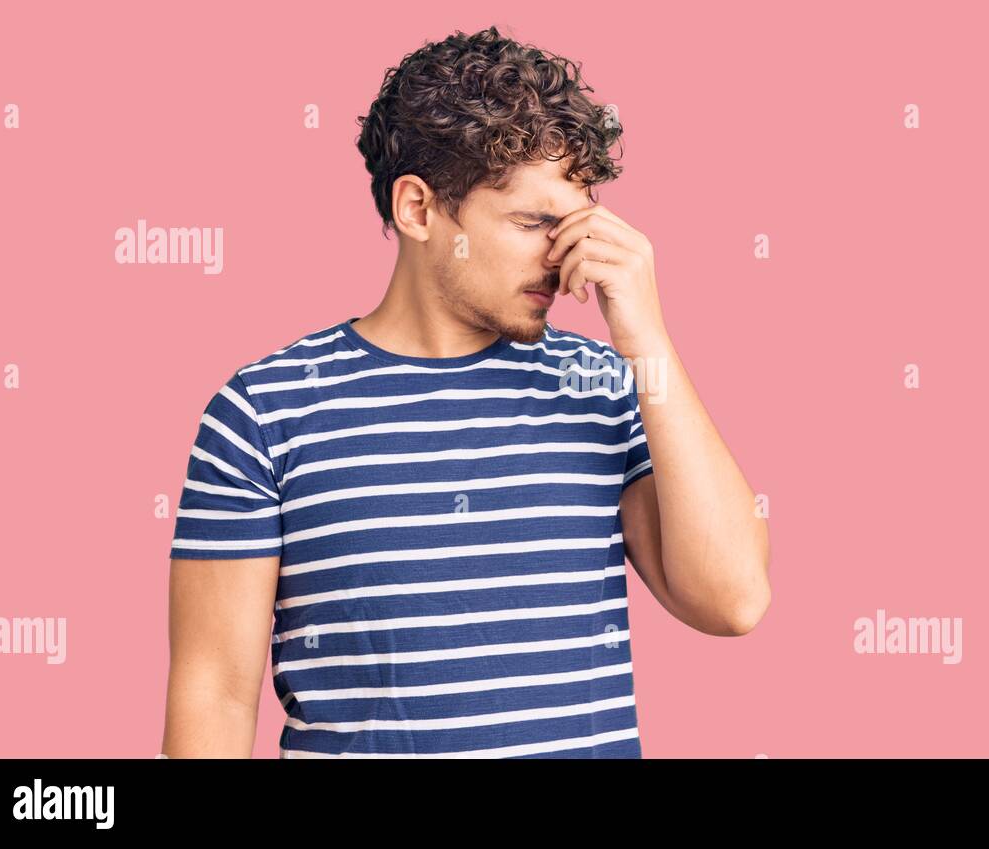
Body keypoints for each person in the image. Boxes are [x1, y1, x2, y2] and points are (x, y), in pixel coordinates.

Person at [161, 25, 769, 759]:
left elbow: (735, 599)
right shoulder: (265, 413)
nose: (565, 255)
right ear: (417, 209)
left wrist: (647, 342)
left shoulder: (606, 385)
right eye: (533, 222)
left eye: (574, 221)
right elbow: (216, 696)